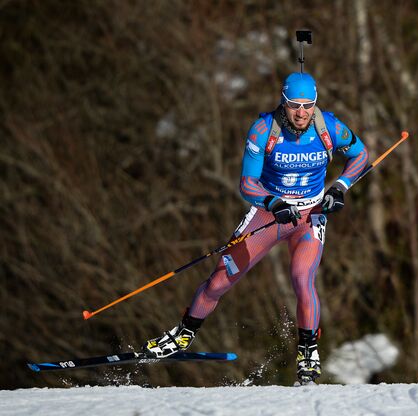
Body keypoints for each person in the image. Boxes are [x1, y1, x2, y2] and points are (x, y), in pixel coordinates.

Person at [144, 72, 369, 384]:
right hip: (270, 215)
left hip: (310, 215)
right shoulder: (264, 130)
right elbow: (247, 184)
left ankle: (308, 351)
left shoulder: (329, 126)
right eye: (294, 105)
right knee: (221, 281)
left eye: (308, 105)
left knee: (303, 279)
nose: (301, 113)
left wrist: (339, 187)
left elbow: (361, 155)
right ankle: (182, 335)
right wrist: (273, 203)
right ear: (283, 101)